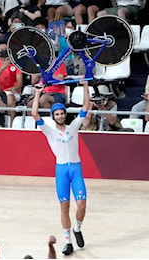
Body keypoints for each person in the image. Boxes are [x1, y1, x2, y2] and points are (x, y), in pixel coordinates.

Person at [31, 80, 90, 256]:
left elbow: (86, 107)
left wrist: (85, 86)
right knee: (64, 207)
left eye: (62, 113)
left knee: (82, 205)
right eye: (56, 114)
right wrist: (37, 94)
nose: (60, 116)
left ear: (65, 114)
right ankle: (68, 241)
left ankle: (77, 229)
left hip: (76, 169)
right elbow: (34, 113)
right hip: (62, 171)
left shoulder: (73, 127)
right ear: (53, 116)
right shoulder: (49, 131)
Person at [0, 41, 22, 124]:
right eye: (4, 59)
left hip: (12, 91)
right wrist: (3, 67)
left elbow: (20, 82)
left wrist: (14, 87)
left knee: (10, 97)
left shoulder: (15, 65)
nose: (6, 60)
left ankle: (11, 124)